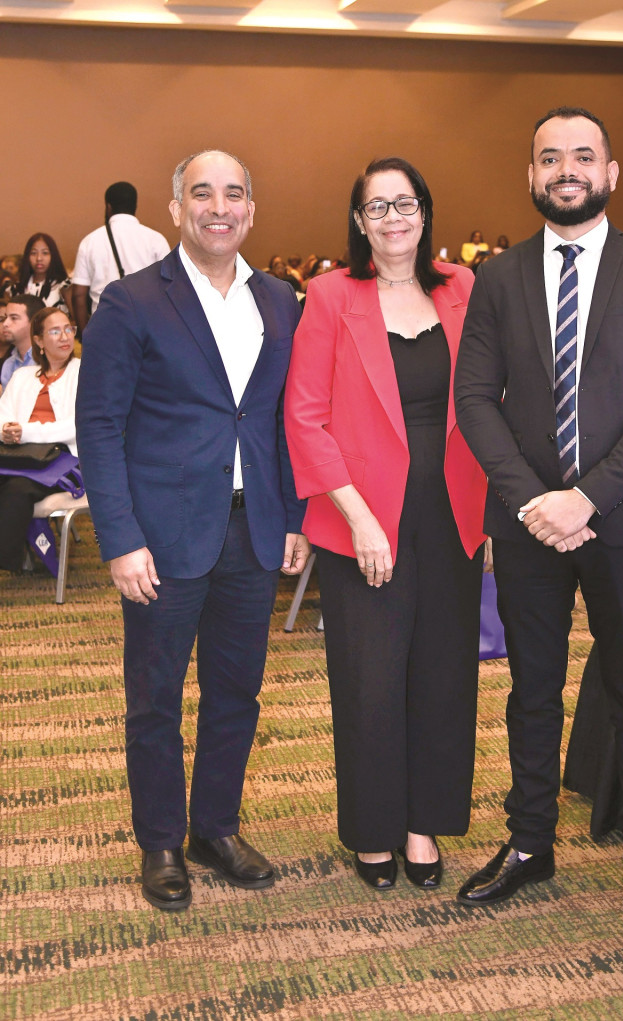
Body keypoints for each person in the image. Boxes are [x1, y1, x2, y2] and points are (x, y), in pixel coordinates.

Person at [454, 106, 623, 945]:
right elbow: (475, 400)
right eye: (550, 157)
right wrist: (535, 500)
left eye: (582, 156)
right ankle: (530, 843)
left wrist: (585, 498)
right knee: (530, 691)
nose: (567, 169)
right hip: (526, 525)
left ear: (610, 173)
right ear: (530, 176)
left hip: (621, 520)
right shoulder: (498, 278)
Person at [75, 150, 310, 912]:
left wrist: (297, 517)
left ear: (250, 209)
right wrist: (117, 537)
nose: (219, 206)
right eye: (202, 192)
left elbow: (282, 420)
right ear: (175, 209)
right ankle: (162, 842)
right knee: (156, 699)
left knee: (237, 691)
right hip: (161, 538)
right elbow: (99, 424)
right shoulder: (132, 300)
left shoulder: (280, 298)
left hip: (253, 531)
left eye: (234, 193)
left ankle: (215, 826)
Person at [284, 156, 486, 891]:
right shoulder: (332, 295)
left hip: (452, 519)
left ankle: (422, 822)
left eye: (406, 204)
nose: (394, 218)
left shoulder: (463, 288)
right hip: (362, 523)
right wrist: (361, 517)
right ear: (359, 220)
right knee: (370, 681)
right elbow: (304, 417)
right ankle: (373, 830)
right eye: (378, 207)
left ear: (426, 212)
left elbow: (492, 399)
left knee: (441, 675)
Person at [0, 307, 80, 572]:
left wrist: (25, 431)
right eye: (55, 331)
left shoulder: (84, 373)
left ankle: (7, 559)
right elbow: (3, 414)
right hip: (19, 458)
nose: (64, 336)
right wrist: (6, 431)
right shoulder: (23, 376)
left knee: (18, 489)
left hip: (66, 463)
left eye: (68, 328)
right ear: (38, 340)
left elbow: (78, 426)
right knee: (15, 484)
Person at [71, 181, 170, 334]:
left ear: (108, 207)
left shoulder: (90, 241)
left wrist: (85, 335)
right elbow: (169, 287)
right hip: (147, 328)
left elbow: (78, 294)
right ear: (135, 207)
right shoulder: (156, 240)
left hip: (104, 326)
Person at [14, 233, 71, 313]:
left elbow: (78, 321)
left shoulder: (64, 286)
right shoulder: (16, 288)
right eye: (33, 253)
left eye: (45, 253)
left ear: (53, 256)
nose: (39, 258)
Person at [1, 294, 44, 389]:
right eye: (5, 317)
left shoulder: (47, 361)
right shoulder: (9, 364)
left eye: (14, 318)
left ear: (34, 322)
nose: (5, 323)